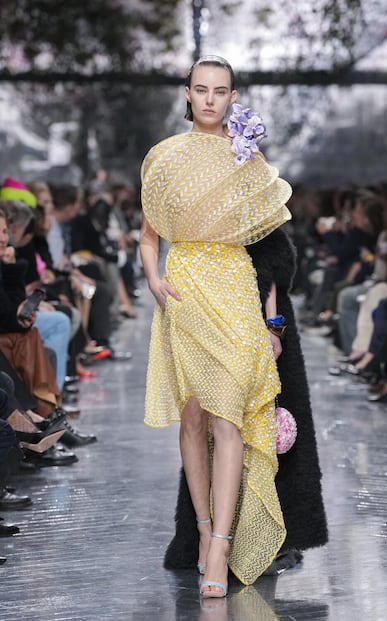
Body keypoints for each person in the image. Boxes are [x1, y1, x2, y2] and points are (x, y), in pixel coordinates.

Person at [139, 55, 292, 596]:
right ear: (187, 93)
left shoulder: (247, 158)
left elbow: (270, 252)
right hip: (184, 292)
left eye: (219, 90)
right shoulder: (163, 156)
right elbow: (149, 235)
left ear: (233, 97)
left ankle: (221, 547)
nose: (209, 99)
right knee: (193, 419)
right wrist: (153, 280)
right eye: (200, 89)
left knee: (228, 419)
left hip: (234, 289)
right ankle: (204, 532)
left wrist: (272, 321)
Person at [164, 227, 328, 574]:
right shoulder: (217, 209)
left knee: (255, 430)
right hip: (217, 316)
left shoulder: (247, 208)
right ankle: (223, 540)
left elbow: (271, 263)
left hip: (255, 322)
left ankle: (254, 542)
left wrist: (273, 325)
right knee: (223, 428)